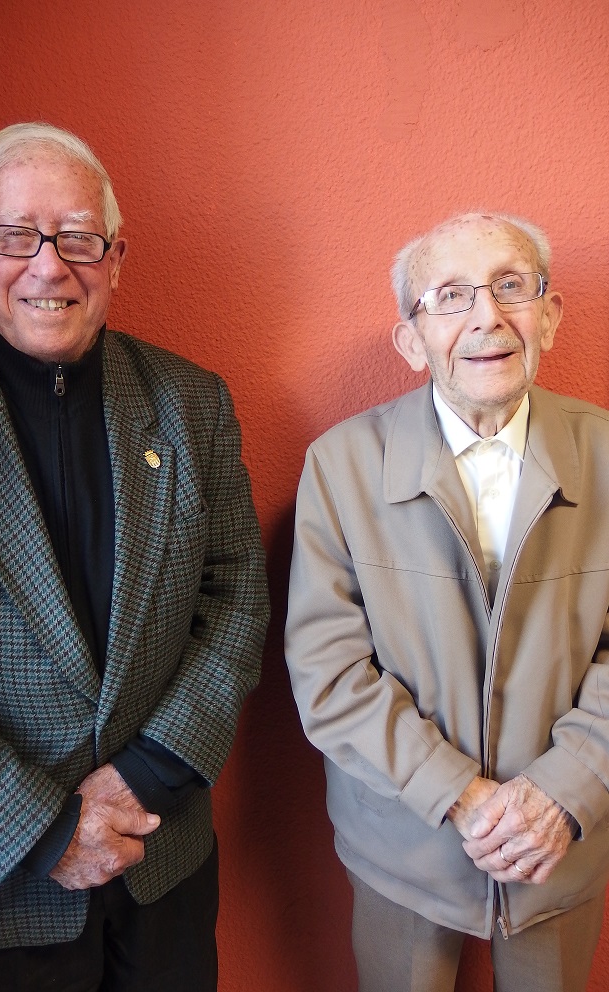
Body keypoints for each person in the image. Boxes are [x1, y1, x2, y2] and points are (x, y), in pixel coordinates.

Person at [0, 122, 269, 992]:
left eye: (79, 237)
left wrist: (147, 774)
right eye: (16, 235)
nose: (49, 267)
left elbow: (235, 599)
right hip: (1, 891)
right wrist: (45, 830)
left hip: (166, 859)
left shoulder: (193, 402)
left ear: (116, 259)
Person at [285, 212, 609, 992]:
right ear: (411, 339)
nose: (486, 317)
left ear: (549, 316)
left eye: (511, 287)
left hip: (563, 840)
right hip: (402, 843)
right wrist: (457, 793)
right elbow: (329, 673)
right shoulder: (340, 465)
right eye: (451, 296)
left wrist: (563, 789)